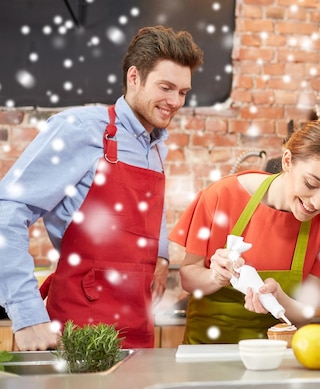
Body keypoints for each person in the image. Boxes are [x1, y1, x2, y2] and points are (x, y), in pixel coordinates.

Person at [0, 25, 204, 350]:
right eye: (166, 87)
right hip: (80, 329)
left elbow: (151, 213)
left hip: (138, 326)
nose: (175, 101)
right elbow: (7, 211)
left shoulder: (156, 148)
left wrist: (161, 257)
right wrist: (27, 314)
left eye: (183, 92)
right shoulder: (79, 130)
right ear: (134, 77)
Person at [169, 120, 320, 344]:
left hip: (276, 355)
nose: (318, 202)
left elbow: (305, 312)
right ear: (287, 161)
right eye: (310, 184)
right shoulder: (222, 195)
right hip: (207, 350)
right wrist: (215, 276)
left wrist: (278, 298)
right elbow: (188, 276)